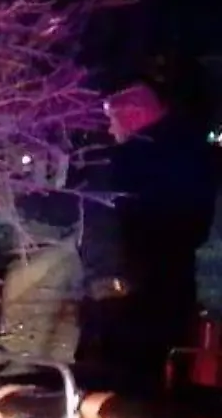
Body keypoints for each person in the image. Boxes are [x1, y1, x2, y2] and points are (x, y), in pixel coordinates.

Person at [75, 81, 219, 396]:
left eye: (112, 119)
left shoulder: (127, 160)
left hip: (126, 291)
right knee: (154, 376)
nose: (110, 129)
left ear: (135, 114)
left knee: (116, 382)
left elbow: (102, 217)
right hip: (171, 286)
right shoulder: (191, 154)